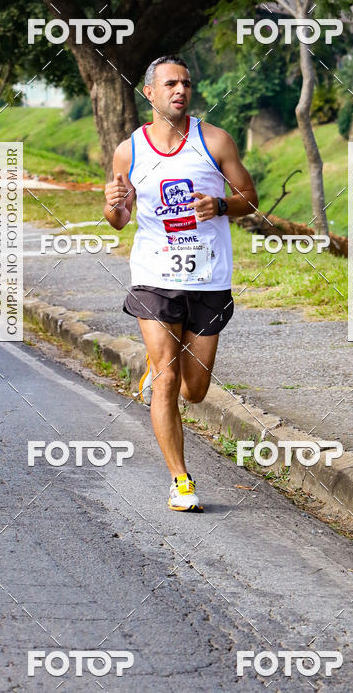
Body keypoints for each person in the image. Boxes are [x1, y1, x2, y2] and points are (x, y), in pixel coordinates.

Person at [104, 55, 258, 511]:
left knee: (195, 390)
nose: (180, 90)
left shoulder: (214, 141)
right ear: (149, 93)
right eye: (170, 83)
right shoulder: (129, 150)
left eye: (187, 83)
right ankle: (181, 481)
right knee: (169, 377)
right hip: (154, 277)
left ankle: (159, 368)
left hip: (208, 278)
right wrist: (114, 205)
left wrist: (222, 206)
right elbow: (119, 218)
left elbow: (250, 198)